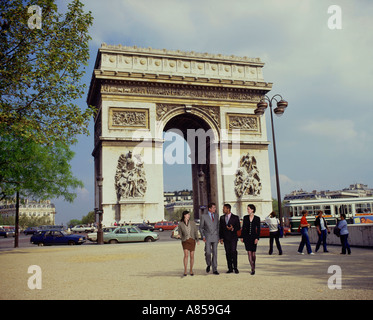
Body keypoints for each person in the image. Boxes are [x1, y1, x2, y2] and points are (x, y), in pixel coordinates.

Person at [219, 203, 241, 274]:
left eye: (224, 208)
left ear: (228, 209)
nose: (223, 209)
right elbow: (220, 229)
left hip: (233, 238)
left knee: (233, 252)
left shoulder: (235, 217)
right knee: (227, 253)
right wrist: (221, 238)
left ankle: (235, 267)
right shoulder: (222, 218)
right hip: (225, 238)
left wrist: (232, 228)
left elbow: (238, 227)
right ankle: (230, 268)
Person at [199, 202, 220, 275]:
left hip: (215, 237)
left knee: (215, 253)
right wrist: (203, 236)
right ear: (210, 209)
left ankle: (215, 269)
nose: (215, 209)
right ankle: (208, 264)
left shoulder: (217, 216)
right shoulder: (203, 216)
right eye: (214, 208)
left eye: (215, 207)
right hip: (207, 237)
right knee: (208, 252)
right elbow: (201, 228)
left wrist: (219, 237)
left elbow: (218, 227)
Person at [177, 211, 199, 276]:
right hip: (185, 240)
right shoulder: (180, 224)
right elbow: (180, 232)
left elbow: (195, 231)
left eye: (189, 215)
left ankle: (191, 270)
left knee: (192, 256)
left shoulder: (192, 223)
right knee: (186, 255)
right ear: (184, 215)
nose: (189, 216)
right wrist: (179, 235)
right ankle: (185, 270)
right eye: (187, 215)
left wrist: (197, 239)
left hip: (192, 240)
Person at [241, 204, 260, 275]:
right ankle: (252, 268)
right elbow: (243, 228)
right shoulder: (245, 218)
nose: (247, 210)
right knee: (249, 252)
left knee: (253, 254)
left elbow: (258, 229)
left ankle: (253, 264)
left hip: (254, 237)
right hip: (247, 237)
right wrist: (242, 237)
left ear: (252, 210)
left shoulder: (257, 218)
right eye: (247, 209)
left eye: (248, 209)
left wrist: (257, 238)